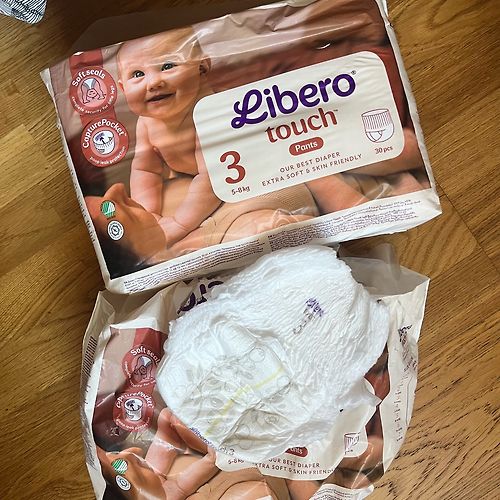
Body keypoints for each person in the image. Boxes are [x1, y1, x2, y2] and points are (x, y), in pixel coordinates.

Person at [117, 27, 222, 248]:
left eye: (167, 66)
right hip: (188, 175)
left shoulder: (208, 112)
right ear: (122, 88)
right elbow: (145, 170)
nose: (153, 82)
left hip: (222, 175)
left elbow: (214, 178)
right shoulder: (146, 121)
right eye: (137, 74)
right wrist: (148, 215)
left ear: (202, 67)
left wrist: (179, 224)